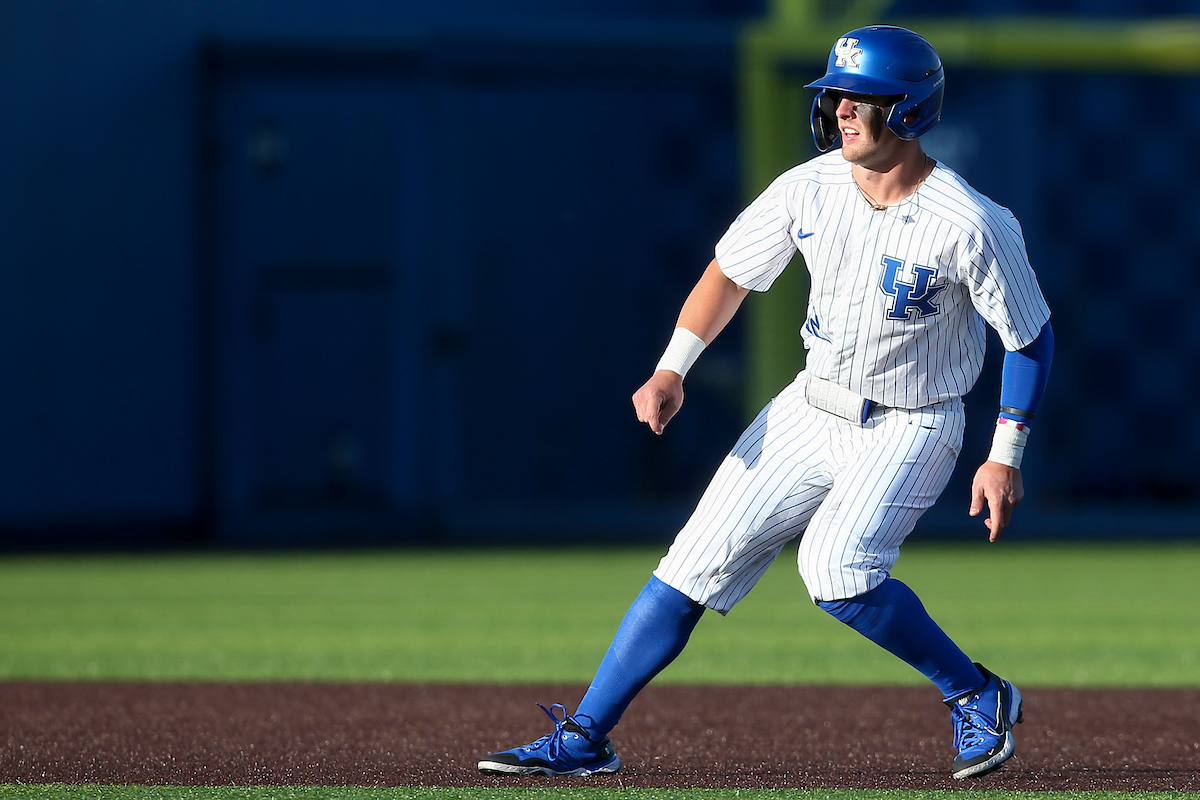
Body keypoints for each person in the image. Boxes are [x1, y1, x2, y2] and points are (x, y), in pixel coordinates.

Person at [477, 24, 1053, 781]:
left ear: (909, 111)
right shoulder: (806, 186)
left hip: (912, 422)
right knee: (688, 565)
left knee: (838, 569)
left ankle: (977, 694)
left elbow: (1031, 336)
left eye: (859, 97)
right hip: (807, 408)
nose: (840, 110)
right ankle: (585, 737)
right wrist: (672, 369)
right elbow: (731, 272)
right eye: (835, 96)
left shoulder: (971, 222)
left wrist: (1002, 455)